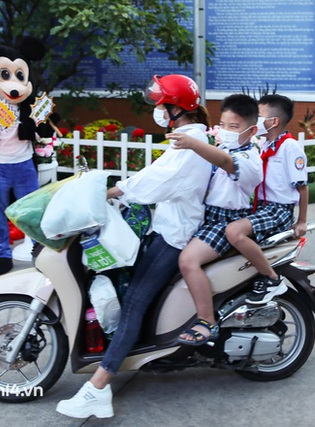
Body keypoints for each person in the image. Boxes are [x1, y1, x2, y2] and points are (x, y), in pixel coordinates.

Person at [56, 74, 213, 419]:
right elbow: (153, 176)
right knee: (131, 292)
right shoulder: (186, 138)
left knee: (134, 304)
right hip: (167, 228)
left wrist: (109, 192)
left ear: (176, 108)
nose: (156, 110)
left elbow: (153, 183)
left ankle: (98, 387)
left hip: (175, 237)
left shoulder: (189, 144)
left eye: (160, 104)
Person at [169, 94, 262, 345]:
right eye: (222, 125)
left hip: (225, 220)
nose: (226, 131)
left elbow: (225, 163)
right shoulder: (223, 147)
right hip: (205, 216)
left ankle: (206, 320)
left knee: (187, 261)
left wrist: (192, 143)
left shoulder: (250, 159)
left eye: (234, 127)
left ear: (252, 130)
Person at [225, 94, 309, 304]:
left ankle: (272, 278)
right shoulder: (265, 145)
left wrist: (301, 221)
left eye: (259, 115)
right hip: (260, 207)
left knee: (234, 232)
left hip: (278, 209)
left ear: (274, 121)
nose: (255, 120)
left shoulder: (290, 147)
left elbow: (303, 187)